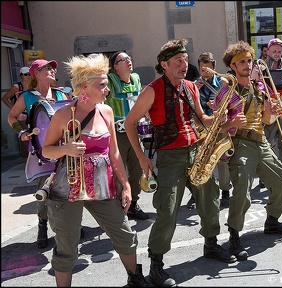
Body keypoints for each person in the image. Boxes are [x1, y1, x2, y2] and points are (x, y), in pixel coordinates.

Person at [124, 38, 236, 287]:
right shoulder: (152, 90)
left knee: (210, 198)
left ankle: (211, 244)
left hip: (196, 151)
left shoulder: (190, 87)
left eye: (185, 60)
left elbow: (202, 119)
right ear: (164, 64)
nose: (184, 65)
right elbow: (129, 123)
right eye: (178, 61)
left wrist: (223, 118)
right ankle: (156, 265)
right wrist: (142, 157)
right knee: (168, 209)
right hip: (169, 157)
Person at [40, 53, 148, 287]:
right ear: (84, 86)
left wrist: (126, 184)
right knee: (67, 246)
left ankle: (135, 278)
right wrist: (66, 148)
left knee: (125, 234)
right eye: (102, 85)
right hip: (67, 188)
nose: (106, 89)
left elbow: (114, 153)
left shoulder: (106, 111)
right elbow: (46, 151)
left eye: (106, 85)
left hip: (102, 185)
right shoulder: (62, 115)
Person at [214, 40, 282, 262]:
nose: (247, 64)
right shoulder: (226, 92)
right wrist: (232, 123)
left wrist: (272, 111)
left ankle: (272, 221)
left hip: (261, 141)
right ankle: (234, 235)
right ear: (232, 66)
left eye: (249, 60)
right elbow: (216, 126)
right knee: (242, 189)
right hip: (240, 144)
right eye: (242, 61)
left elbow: (268, 120)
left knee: (280, 182)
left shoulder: (260, 88)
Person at [7, 59, 69, 249]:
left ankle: (67, 225)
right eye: (46, 68)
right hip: (40, 150)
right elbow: (12, 117)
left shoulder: (61, 94)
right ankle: (42, 226)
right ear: (36, 73)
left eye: (52, 68)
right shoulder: (26, 96)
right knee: (44, 188)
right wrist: (21, 132)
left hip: (62, 147)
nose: (52, 70)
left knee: (66, 186)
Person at [105, 51, 149, 220]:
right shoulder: (109, 80)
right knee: (118, 172)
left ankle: (133, 203)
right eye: (123, 60)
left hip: (136, 132)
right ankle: (119, 208)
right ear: (115, 66)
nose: (128, 61)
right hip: (117, 134)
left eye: (129, 58)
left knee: (139, 170)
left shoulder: (136, 79)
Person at [186, 52, 231, 209]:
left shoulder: (223, 82)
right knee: (202, 159)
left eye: (207, 68)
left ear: (214, 67)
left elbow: (230, 104)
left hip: (220, 125)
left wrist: (217, 106)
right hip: (202, 126)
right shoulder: (194, 84)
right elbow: (189, 108)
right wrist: (194, 93)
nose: (204, 72)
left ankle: (225, 191)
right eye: (201, 68)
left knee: (222, 158)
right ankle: (199, 192)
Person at [261, 38, 282, 189]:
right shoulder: (260, 69)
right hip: (267, 111)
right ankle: (265, 174)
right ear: (267, 51)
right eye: (274, 51)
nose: (276, 54)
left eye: (279, 51)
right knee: (266, 144)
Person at [2, 66, 32, 158]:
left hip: (32, 113)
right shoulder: (17, 87)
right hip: (21, 116)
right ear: (21, 76)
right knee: (25, 137)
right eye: (25, 74)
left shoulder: (33, 85)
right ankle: (26, 159)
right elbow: (4, 98)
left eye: (29, 74)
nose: (28, 76)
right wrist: (14, 109)